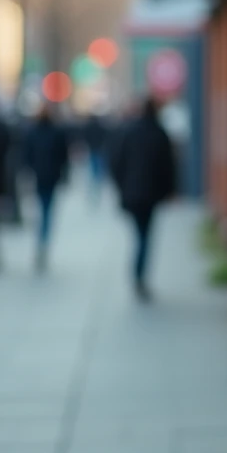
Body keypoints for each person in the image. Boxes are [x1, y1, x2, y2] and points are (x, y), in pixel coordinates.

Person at [108, 96, 176, 300]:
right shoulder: (160, 133)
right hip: (151, 195)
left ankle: (137, 274)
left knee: (140, 234)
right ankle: (139, 276)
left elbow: (115, 162)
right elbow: (169, 167)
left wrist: (121, 187)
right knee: (145, 236)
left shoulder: (128, 132)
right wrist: (169, 191)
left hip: (132, 193)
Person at [22, 103, 71, 271]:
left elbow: (26, 156)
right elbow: (64, 156)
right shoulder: (57, 131)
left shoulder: (33, 132)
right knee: (47, 210)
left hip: (39, 176)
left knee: (42, 209)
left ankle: (41, 240)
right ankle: (43, 239)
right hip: (51, 176)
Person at [81, 111, 110, 202]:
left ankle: (95, 179)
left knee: (93, 167)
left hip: (93, 149)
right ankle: (97, 180)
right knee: (98, 167)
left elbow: (85, 137)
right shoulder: (101, 127)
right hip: (99, 149)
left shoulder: (88, 127)